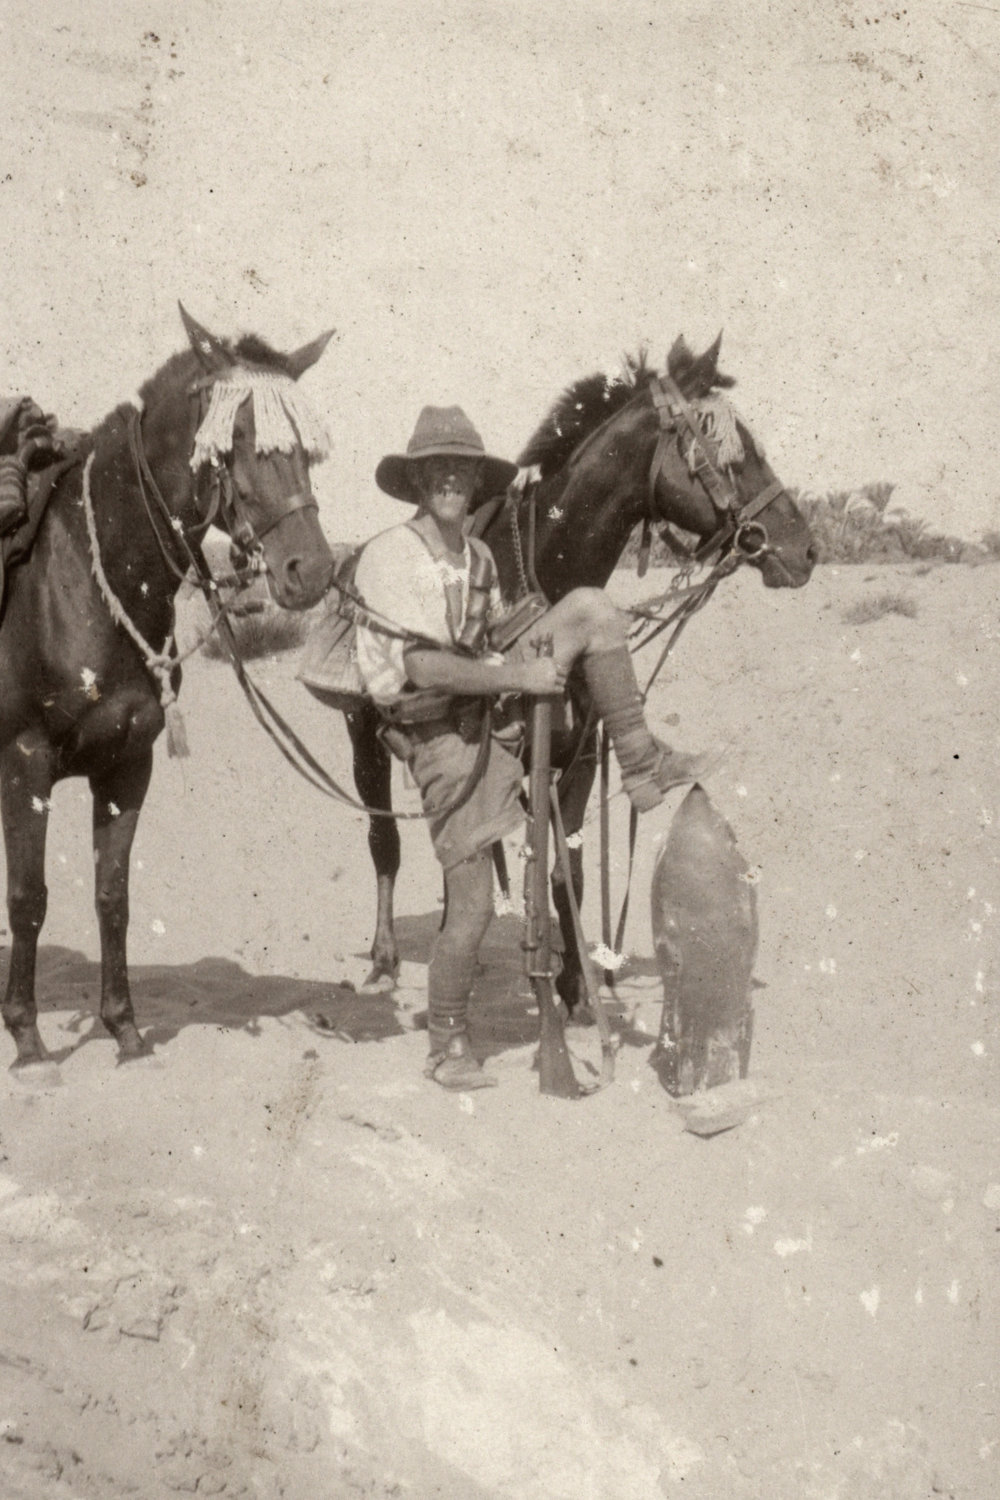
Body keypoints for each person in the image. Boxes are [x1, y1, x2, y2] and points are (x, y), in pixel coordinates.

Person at [353, 406, 719, 1091]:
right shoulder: (391, 556)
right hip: (437, 733)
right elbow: (424, 668)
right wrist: (520, 674)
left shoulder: (481, 557)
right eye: (439, 470)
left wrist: (563, 636)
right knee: (473, 907)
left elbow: (496, 631)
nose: (453, 480)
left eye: (463, 469)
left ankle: (642, 761)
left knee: (592, 607)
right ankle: (447, 1043)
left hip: (489, 707)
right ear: (417, 482)